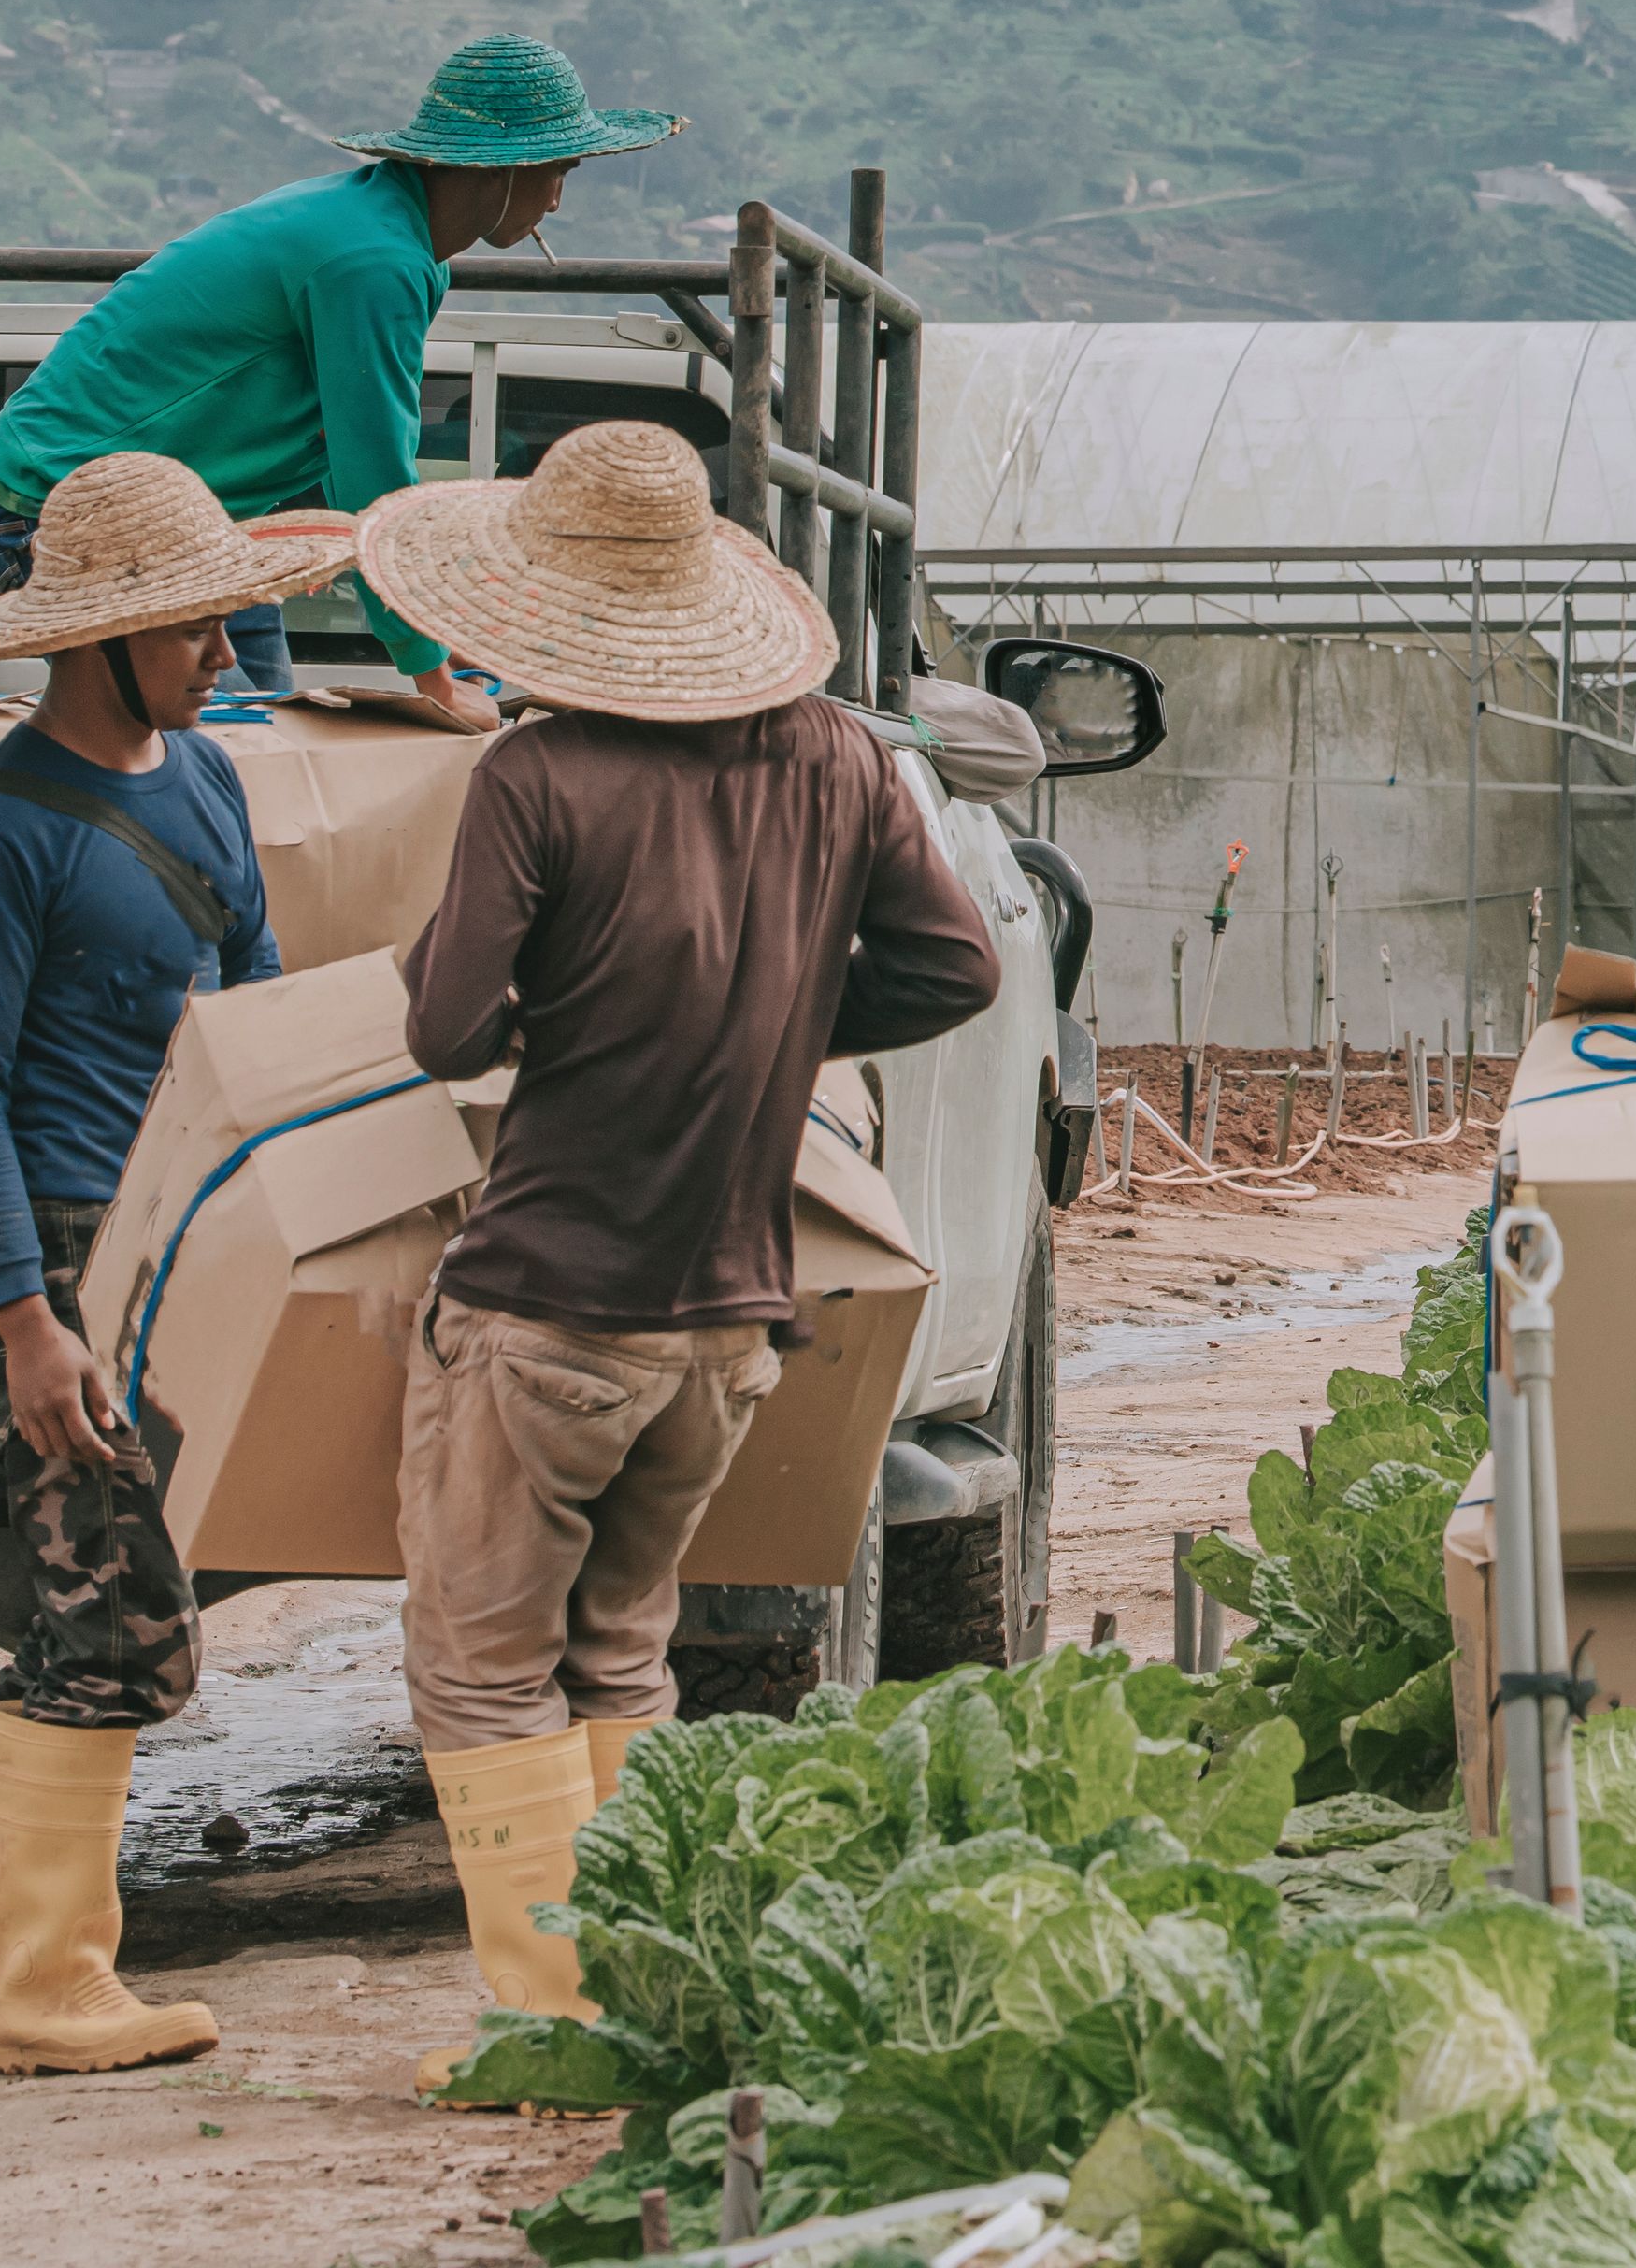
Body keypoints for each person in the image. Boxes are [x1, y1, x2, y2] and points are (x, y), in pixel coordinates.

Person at [356, 422, 1001, 2095]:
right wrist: (774, 1026)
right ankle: (638, 1992)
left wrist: (532, 991)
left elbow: (447, 1031)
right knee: (621, 1655)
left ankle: (548, 2021)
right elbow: (959, 970)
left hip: (548, 1308)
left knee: (485, 1674)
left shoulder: (535, 777)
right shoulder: (839, 758)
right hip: (724, 1328)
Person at [0, 453, 365, 2080]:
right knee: (120, 1632)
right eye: (194, 627)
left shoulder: (205, 779)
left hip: (173, 1245)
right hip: (58, 1270)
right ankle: (50, 1987)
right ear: (100, 640)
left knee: (87, 1615)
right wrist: (26, 1320)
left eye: (228, 619)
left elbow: (255, 999)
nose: (228, 652)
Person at [0, 35, 680, 722]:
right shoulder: (373, 261)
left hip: (205, 531)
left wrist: (444, 634)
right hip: (69, 510)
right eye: (558, 171)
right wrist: (430, 674)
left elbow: (344, 456)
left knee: (273, 743)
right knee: (227, 747)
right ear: (500, 170)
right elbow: (373, 475)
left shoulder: (396, 239)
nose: (555, 201)